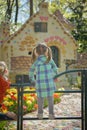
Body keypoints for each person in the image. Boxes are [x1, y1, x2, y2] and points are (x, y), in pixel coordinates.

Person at [29, 43, 58, 119]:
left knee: (40, 100)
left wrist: (33, 80)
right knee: (50, 100)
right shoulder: (49, 59)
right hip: (49, 83)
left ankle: (40, 114)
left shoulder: (36, 61)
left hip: (39, 84)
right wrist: (53, 75)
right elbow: (55, 68)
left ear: (36, 52)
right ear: (46, 51)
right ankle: (51, 115)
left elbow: (31, 71)